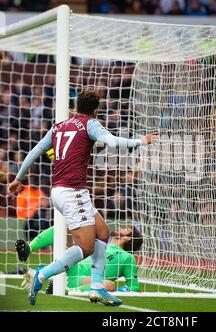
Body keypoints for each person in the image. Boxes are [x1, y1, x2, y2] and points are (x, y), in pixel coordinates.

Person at [8, 89, 158, 306]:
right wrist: (142, 141)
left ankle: (97, 289)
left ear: (76, 105)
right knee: (86, 247)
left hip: (63, 191)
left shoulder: (58, 126)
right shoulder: (90, 124)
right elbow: (114, 143)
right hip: (72, 192)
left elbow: (35, 151)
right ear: (95, 110)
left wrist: (18, 178)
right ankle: (40, 276)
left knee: (103, 232)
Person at [16, 212, 142, 293]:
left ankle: (62, 287)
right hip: (72, 266)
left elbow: (134, 288)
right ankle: (29, 248)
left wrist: (118, 291)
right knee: (65, 227)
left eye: (126, 229)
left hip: (84, 280)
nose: (121, 228)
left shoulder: (128, 258)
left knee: (110, 285)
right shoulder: (100, 242)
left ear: (128, 238)